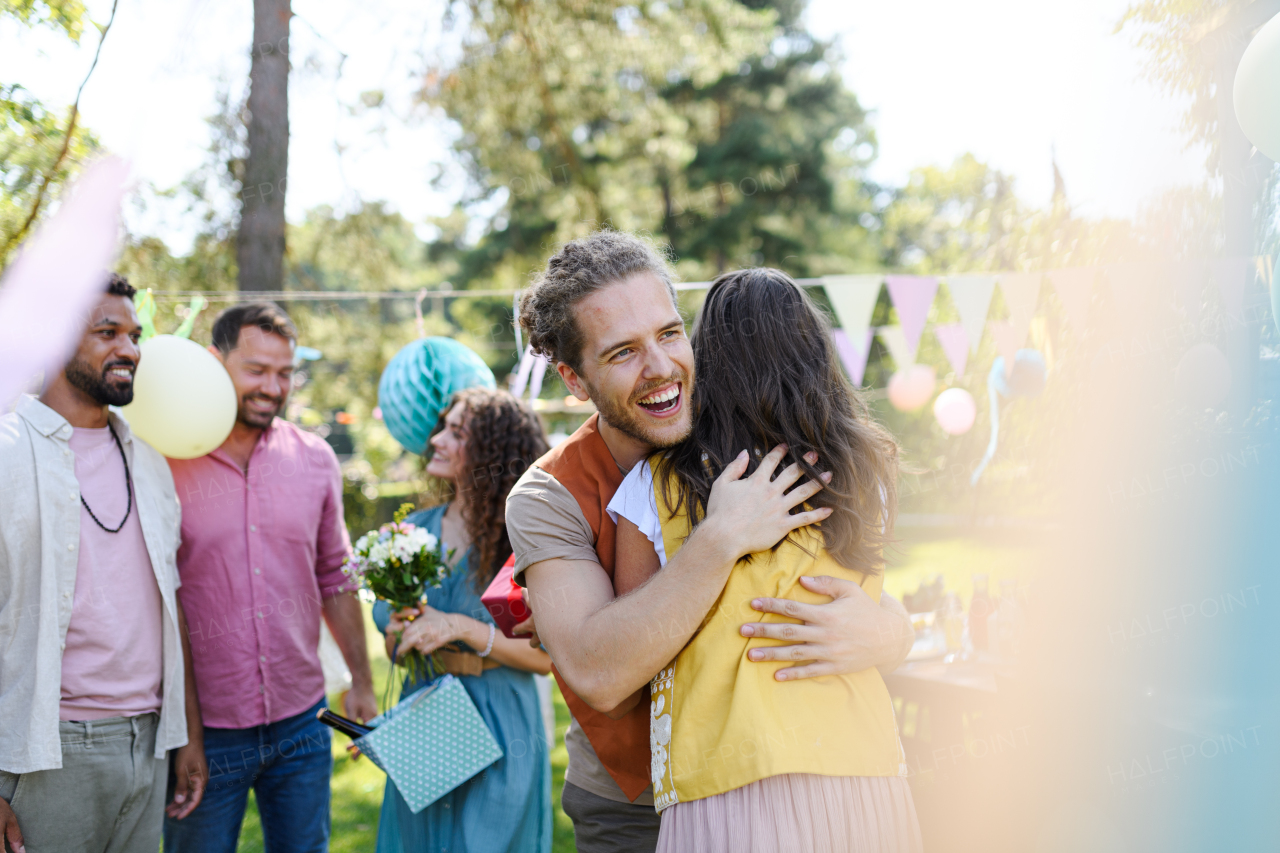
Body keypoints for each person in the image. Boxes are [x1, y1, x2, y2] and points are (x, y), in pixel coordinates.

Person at [505, 231, 916, 852]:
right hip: (633, 798)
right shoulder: (546, 498)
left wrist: (893, 632)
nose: (662, 368)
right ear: (575, 379)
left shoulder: (760, 443)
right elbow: (599, 673)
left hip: (793, 766)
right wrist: (720, 536)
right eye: (622, 353)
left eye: (670, 334)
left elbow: (831, 574)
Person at [608, 268, 922, 851]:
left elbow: (634, 652)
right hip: (861, 767)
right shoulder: (869, 469)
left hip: (724, 781)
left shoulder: (654, 487)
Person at [0, 273, 206, 853]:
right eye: (107, 332)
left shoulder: (150, 464)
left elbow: (171, 606)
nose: (131, 350)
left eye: (135, 335)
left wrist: (185, 732)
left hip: (149, 745)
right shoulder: (8, 451)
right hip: (44, 755)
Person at [163, 302, 376, 853]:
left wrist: (362, 681)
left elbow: (336, 574)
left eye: (284, 373)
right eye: (256, 370)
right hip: (204, 731)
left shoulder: (315, 459)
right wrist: (182, 731)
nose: (272, 387)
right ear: (215, 363)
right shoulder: (165, 460)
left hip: (302, 723)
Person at [371, 387, 553, 853]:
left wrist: (461, 627)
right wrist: (399, 634)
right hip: (426, 713)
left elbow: (547, 659)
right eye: (442, 428)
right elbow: (394, 642)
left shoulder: (523, 540)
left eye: (456, 432)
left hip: (501, 716)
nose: (437, 440)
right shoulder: (413, 532)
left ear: (493, 449)